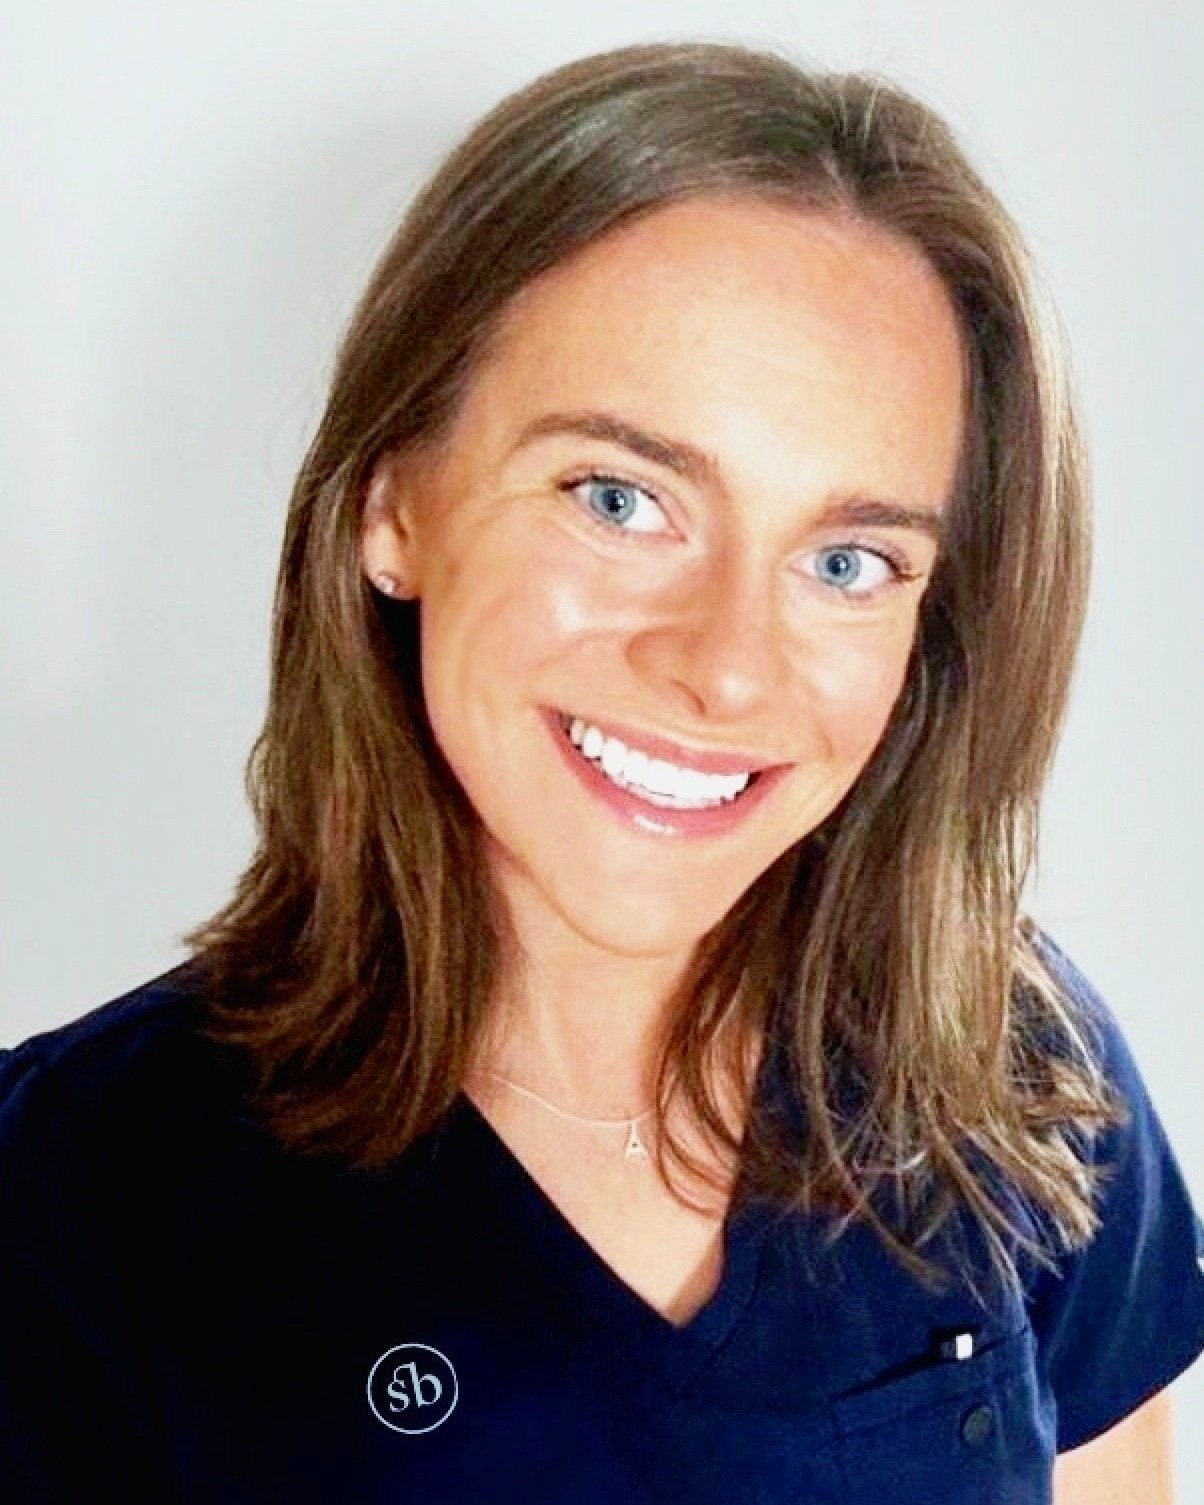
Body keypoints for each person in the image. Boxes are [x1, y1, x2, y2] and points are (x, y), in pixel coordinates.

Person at [1, 39, 1201, 1504]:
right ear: (396, 502)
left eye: (847, 560)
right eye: (620, 498)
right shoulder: (67, 1201)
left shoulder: (1018, 1071)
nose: (726, 665)